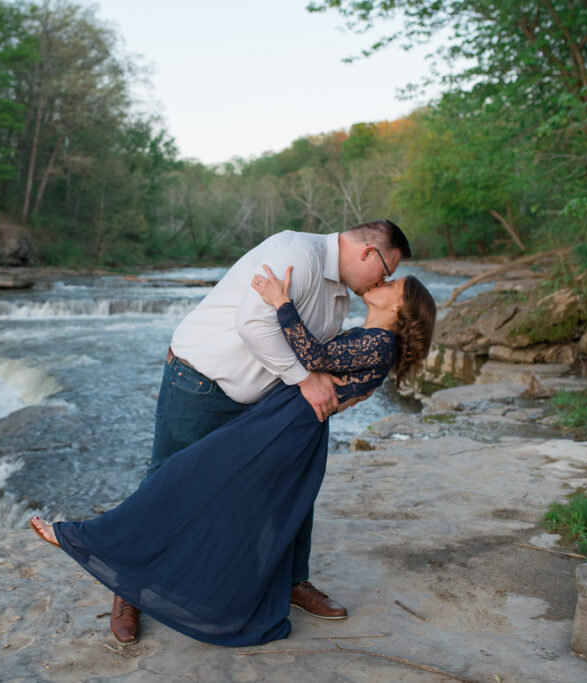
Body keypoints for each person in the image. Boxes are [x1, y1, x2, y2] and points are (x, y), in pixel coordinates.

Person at [29, 264, 436, 646]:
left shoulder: (379, 342)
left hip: (284, 427)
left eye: (392, 285)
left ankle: (83, 539)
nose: (382, 283)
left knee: (184, 475)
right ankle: (124, 569)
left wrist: (280, 301)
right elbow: (316, 365)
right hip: (283, 419)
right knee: (226, 495)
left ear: (399, 307)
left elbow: (314, 359)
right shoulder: (364, 337)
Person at [104, 220, 411, 644]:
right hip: (202, 382)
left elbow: (320, 350)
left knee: (288, 489)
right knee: (168, 479)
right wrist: (306, 379)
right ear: (367, 253)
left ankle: (290, 582)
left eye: (389, 279)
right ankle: (128, 589)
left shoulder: (341, 293)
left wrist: (355, 383)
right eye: (385, 270)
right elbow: (255, 325)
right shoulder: (296, 254)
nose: (384, 279)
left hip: (264, 402)